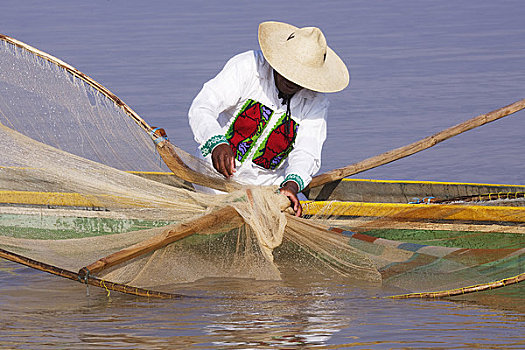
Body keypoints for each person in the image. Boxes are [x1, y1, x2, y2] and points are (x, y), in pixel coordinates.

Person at [188, 21, 349, 216]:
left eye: (301, 77)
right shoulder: (248, 67)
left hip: (266, 190)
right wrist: (217, 143)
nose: (291, 80)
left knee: (298, 208)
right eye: (288, 70)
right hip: (213, 182)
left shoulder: (315, 103)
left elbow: (307, 153)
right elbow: (203, 106)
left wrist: (291, 185)